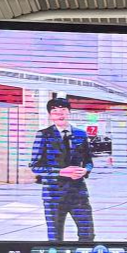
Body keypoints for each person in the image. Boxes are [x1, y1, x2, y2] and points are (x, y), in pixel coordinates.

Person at [29, 96, 95, 243]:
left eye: (63, 110)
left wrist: (85, 170)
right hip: (53, 195)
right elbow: (35, 166)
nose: (60, 114)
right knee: (55, 237)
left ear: (69, 112)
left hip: (78, 193)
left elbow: (89, 161)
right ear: (50, 115)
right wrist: (60, 172)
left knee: (88, 235)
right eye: (55, 111)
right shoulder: (43, 135)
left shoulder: (81, 134)